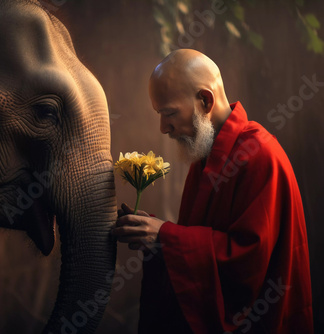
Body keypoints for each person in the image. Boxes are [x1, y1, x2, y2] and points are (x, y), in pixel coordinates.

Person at [112, 49, 313, 333]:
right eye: (160, 114)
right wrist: (155, 234)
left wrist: (166, 236)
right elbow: (202, 244)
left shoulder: (260, 155)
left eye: (169, 113)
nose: (163, 128)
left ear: (205, 100)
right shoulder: (206, 156)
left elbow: (248, 264)